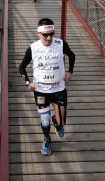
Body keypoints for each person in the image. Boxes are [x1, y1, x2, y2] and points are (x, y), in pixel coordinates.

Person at [18, 18, 76, 156]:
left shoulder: (61, 44)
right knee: (44, 121)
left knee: (62, 122)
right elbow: (21, 67)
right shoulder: (33, 48)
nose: (49, 38)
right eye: (45, 35)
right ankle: (47, 139)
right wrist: (28, 82)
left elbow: (72, 56)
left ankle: (56, 121)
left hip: (59, 90)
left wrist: (70, 72)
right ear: (38, 33)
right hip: (41, 91)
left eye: (52, 34)